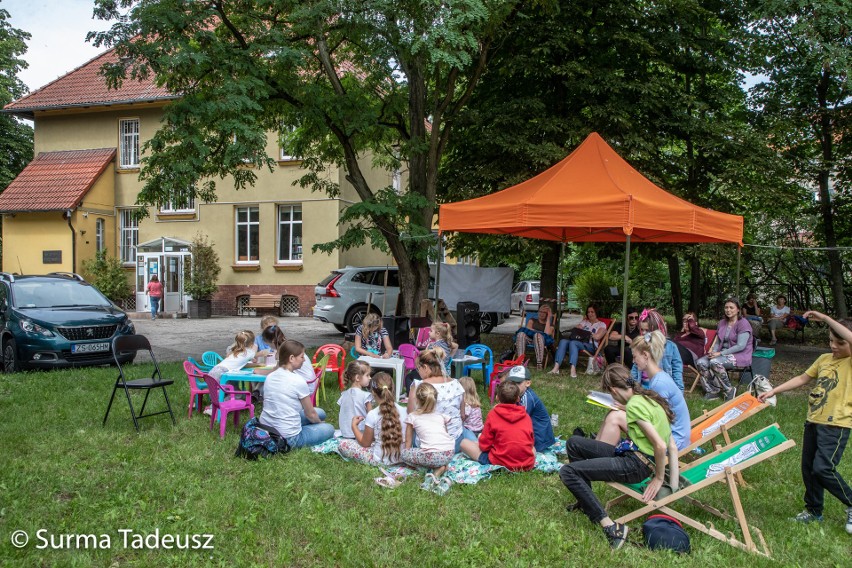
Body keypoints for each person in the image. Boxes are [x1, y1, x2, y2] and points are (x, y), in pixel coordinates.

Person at [559, 365, 678, 550]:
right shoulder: (647, 398)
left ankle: (610, 527)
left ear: (614, 390)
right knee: (574, 442)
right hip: (633, 455)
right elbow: (668, 441)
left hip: (635, 464)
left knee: (567, 472)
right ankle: (585, 502)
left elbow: (661, 445)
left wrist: (659, 478)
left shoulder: (636, 405)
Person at [757, 311, 852, 533]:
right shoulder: (824, 360)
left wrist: (827, 319)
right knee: (809, 469)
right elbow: (802, 378)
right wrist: (774, 390)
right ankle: (813, 510)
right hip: (814, 421)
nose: (834, 346)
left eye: (840, 343)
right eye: (830, 341)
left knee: (823, 468)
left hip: (837, 424)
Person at [597, 331, 691, 452]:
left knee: (615, 417)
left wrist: (626, 408)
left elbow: (656, 420)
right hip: (671, 435)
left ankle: (600, 456)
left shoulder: (659, 384)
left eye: (635, 356)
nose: (633, 361)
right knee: (613, 414)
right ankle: (596, 449)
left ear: (645, 356)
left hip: (673, 440)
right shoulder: (658, 378)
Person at [259, 340, 334, 449]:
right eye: (302, 357)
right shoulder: (298, 380)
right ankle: (310, 430)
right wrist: (319, 424)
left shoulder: (270, 377)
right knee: (329, 428)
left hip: (267, 429)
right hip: (288, 438)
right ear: (291, 358)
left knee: (321, 412)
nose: (304, 360)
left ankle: (310, 426)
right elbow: (310, 414)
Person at [407, 349, 477, 452]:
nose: (418, 372)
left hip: (426, 445)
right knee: (466, 432)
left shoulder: (418, 385)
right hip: (455, 443)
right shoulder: (456, 383)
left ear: (425, 368)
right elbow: (462, 415)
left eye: (418, 368)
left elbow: (410, 415)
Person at [459, 381, 535, 471]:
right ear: (518, 398)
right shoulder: (526, 416)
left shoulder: (493, 415)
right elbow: (530, 442)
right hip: (525, 464)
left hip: (499, 461)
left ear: (497, 398)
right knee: (533, 448)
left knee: (464, 443)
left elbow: (484, 446)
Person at [338, 372, 407, 466]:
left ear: (373, 392)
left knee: (343, 444)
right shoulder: (405, 411)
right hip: (401, 458)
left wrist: (354, 426)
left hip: (379, 460)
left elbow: (365, 443)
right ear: (393, 389)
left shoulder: (373, 414)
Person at [402, 382, 456, 495]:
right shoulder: (441, 416)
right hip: (449, 454)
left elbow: (408, 442)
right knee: (434, 456)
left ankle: (427, 470)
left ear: (417, 399)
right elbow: (445, 435)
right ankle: (440, 469)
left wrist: (407, 457)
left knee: (404, 454)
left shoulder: (412, 417)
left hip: (431, 455)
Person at [696, 297, 753, 402]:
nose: (728, 310)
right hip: (721, 354)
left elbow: (741, 346)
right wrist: (714, 351)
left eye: (731, 307)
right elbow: (718, 341)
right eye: (726, 307)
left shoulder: (743, 323)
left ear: (738, 310)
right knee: (701, 362)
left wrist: (720, 353)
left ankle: (729, 390)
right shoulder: (722, 322)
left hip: (740, 355)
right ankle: (712, 391)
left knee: (715, 362)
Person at [630, 308, 684, 391]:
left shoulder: (670, 347)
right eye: (642, 329)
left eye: (647, 330)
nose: (644, 333)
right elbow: (635, 367)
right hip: (643, 389)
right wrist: (629, 386)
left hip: (661, 390)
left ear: (657, 329)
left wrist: (679, 390)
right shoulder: (641, 345)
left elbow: (677, 370)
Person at [506, 365, 556, 452]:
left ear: (528, 383)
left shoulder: (528, 398)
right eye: (512, 383)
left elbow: (519, 420)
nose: (514, 386)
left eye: (518, 383)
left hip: (540, 438)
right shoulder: (519, 394)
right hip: (532, 431)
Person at [550, 304, 608, 378]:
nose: (590, 314)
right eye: (588, 312)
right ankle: (556, 368)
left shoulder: (601, 324)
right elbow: (576, 330)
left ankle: (573, 369)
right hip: (579, 342)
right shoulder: (585, 322)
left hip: (591, 346)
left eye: (592, 312)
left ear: (597, 312)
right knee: (563, 341)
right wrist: (581, 327)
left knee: (573, 343)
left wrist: (587, 333)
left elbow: (597, 337)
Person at [337, 360, 373, 439]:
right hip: (360, 434)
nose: (370, 378)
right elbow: (371, 417)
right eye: (367, 375)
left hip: (345, 433)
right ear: (357, 378)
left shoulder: (344, 395)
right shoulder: (366, 396)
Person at [515, 305, 555, 371]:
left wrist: (548, 319)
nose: (541, 314)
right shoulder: (532, 320)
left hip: (542, 342)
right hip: (529, 340)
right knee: (521, 334)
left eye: (544, 312)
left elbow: (547, 333)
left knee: (537, 335)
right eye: (540, 311)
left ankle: (539, 364)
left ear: (547, 314)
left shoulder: (550, 325)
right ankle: (520, 362)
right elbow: (527, 331)